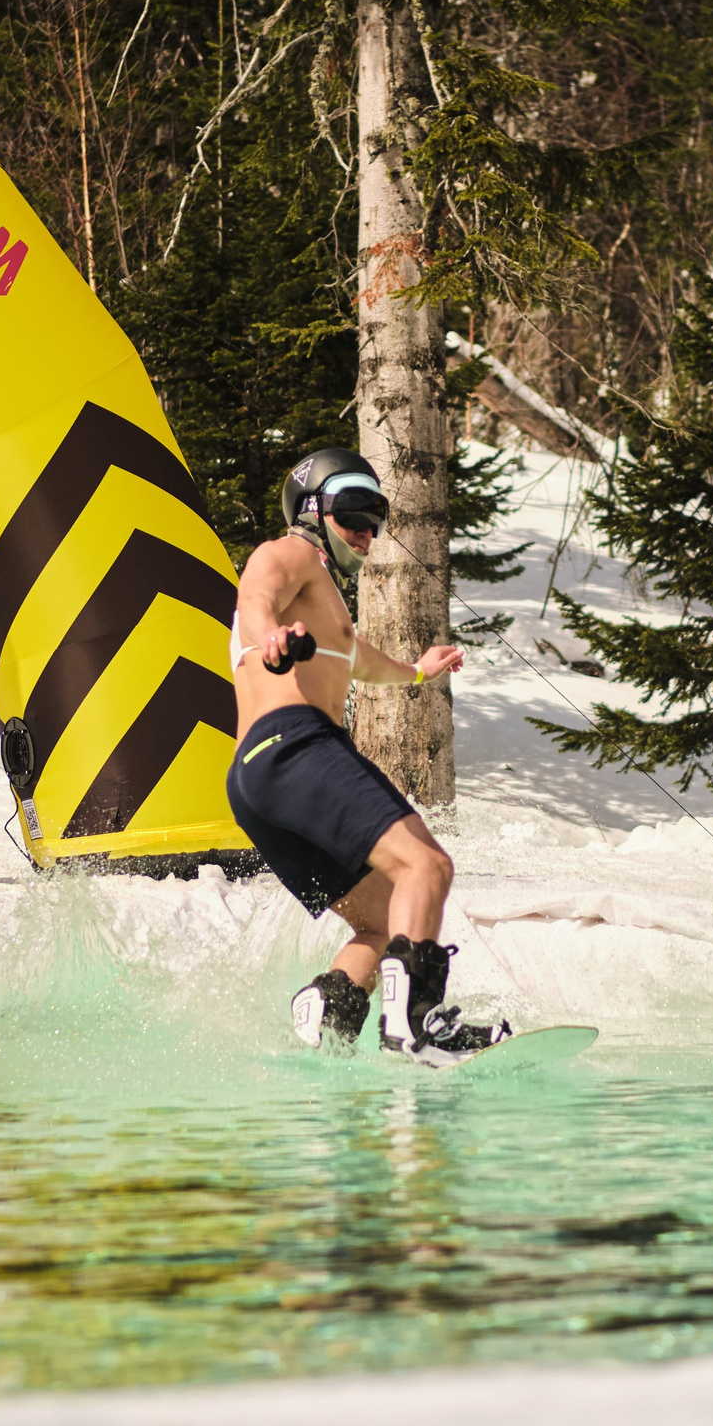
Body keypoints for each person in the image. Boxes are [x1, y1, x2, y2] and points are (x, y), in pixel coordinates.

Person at [228, 447, 510, 1063]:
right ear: (311, 510)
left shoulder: (325, 600)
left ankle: (329, 1017)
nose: (368, 530)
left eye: (379, 517)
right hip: (295, 743)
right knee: (427, 868)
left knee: (383, 923)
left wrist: (415, 672)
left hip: (256, 779)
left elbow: (355, 660)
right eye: (355, 510)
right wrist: (269, 637)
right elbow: (256, 595)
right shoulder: (291, 555)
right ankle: (415, 1026)